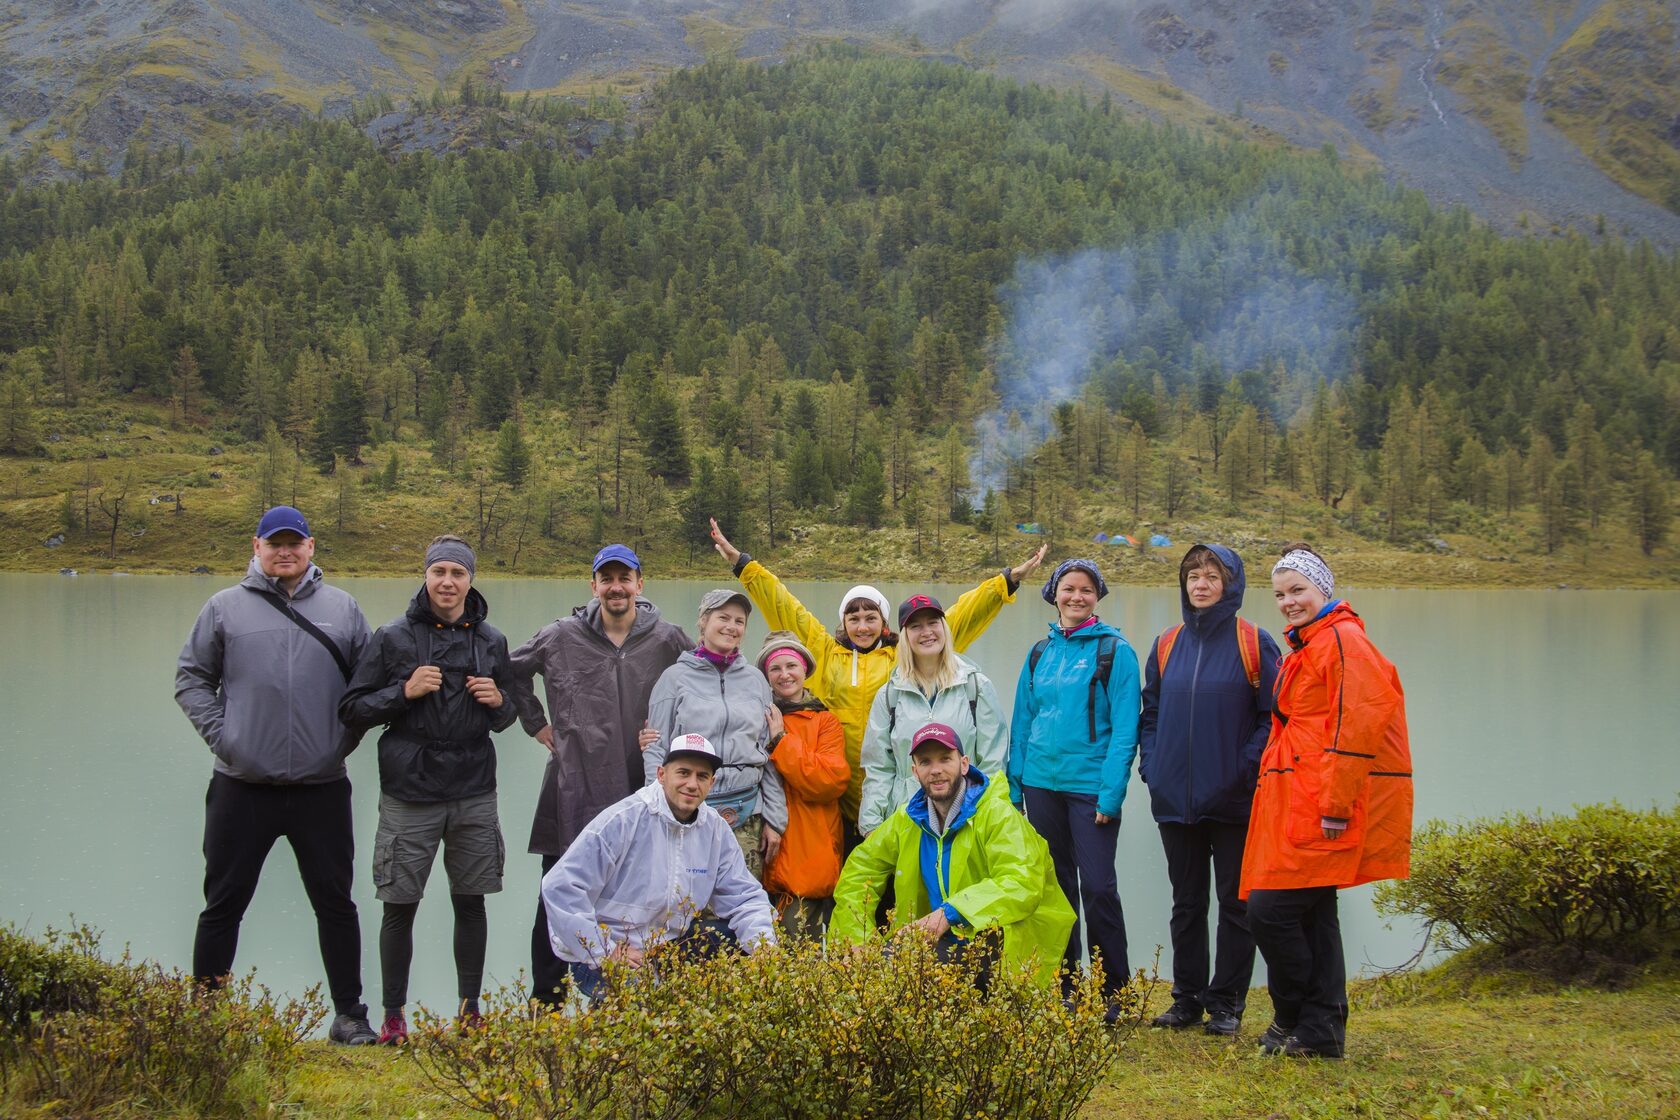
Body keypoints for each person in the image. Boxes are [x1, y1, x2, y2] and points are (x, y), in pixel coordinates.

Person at [174, 505, 377, 1045]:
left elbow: (368, 690)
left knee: (335, 903)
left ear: (311, 548)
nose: (284, 551)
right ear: (257, 546)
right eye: (274, 543)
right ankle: (205, 1017)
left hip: (322, 789)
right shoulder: (224, 609)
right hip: (241, 787)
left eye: (295, 543)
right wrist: (227, 740)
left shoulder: (344, 609)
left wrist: (341, 743)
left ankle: (350, 1016)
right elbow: (191, 680)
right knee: (223, 903)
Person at [709, 517, 1047, 833]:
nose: (862, 626)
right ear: (844, 623)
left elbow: (957, 618)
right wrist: (744, 565)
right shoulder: (826, 654)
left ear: (883, 622)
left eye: (870, 617)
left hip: (889, 792)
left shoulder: (904, 656)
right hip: (833, 789)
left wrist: (1006, 581)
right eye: (853, 618)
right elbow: (784, 605)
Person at [338, 535, 517, 1044]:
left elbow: (506, 719)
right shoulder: (392, 638)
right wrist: (404, 691)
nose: (447, 581)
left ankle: (470, 1008)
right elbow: (352, 709)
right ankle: (394, 1015)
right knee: (400, 904)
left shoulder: (492, 641)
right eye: (439, 571)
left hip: (474, 789)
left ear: (470, 580)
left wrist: (498, 699)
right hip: (408, 791)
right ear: (425, 576)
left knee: (471, 900)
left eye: (457, 573)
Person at [1241, 543, 1413, 1059]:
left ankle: (1298, 1016)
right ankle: (1319, 1029)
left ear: (1324, 590)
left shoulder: (1342, 641)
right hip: (1299, 799)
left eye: (1298, 590)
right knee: (1315, 913)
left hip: (1321, 804)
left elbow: (1357, 724)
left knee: (1270, 911)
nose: (1289, 602)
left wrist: (1337, 805)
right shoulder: (1314, 644)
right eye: (1280, 594)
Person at [504, 544, 690, 1011]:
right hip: (574, 788)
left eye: (624, 578)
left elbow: (705, 674)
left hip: (642, 788)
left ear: (639, 585)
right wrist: (536, 724)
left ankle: (627, 999)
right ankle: (545, 1003)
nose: (616, 587)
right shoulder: (561, 635)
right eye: (606, 579)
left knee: (638, 901)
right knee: (556, 894)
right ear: (594, 587)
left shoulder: (667, 638)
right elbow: (508, 672)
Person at [1139, 544, 1280, 1036]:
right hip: (1174, 798)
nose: (1200, 584)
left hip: (1236, 798)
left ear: (1231, 584)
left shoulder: (1254, 642)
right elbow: (1150, 713)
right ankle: (1187, 1000)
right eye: (1193, 576)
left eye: (1211, 576)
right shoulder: (1166, 643)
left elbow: (1272, 716)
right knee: (1187, 902)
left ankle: (1227, 1004)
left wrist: (1245, 767)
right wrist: (1152, 766)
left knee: (1236, 904)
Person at [828, 722, 1074, 990]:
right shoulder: (907, 820)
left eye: (946, 759)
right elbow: (861, 870)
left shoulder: (998, 815)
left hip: (1004, 943)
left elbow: (1021, 880)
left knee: (898, 978)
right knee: (873, 977)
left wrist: (950, 912)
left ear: (964, 763)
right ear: (915, 771)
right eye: (925, 762)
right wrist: (856, 939)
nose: (936, 770)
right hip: (942, 942)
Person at [542, 733, 778, 1000]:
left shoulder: (715, 830)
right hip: (603, 952)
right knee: (649, 1006)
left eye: (702, 776)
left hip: (665, 947)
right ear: (661, 774)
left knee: (739, 944)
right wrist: (606, 951)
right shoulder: (623, 820)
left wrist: (765, 952)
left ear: (711, 783)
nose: (692, 784)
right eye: (683, 773)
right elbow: (560, 887)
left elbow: (745, 897)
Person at [1007, 558, 1139, 1009]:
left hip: (1090, 789)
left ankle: (1113, 991)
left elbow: (1125, 730)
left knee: (1099, 888)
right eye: (1069, 588)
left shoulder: (1115, 651)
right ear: (1054, 594)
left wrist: (1112, 793)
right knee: (1057, 889)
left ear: (1097, 596)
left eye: (1086, 589)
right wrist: (1014, 786)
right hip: (1041, 785)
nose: (1076, 596)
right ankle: (1065, 985)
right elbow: (1022, 720)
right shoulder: (1039, 652)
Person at [645, 589, 782, 879]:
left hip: (747, 813)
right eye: (723, 618)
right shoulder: (674, 679)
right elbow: (656, 750)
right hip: (688, 809)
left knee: (741, 905)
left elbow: (767, 753)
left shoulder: (756, 681)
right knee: (687, 907)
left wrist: (775, 819)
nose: (732, 627)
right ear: (703, 621)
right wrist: (657, 811)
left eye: (740, 621)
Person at [858, 594, 1007, 836]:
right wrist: (871, 825)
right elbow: (879, 768)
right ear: (905, 636)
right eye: (915, 626)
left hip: (967, 817)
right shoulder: (889, 695)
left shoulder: (976, 686)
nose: (926, 632)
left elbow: (993, 760)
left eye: (933, 623)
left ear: (944, 628)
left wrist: (990, 815)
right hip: (906, 819)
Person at [756, 631, 850, 938]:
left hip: (808, 851)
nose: (784, 675)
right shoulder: (755, 715)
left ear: (804, 670)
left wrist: (780, 740)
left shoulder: (825, 722)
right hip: (762, 848)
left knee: (800, 959)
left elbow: (829, 781)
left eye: (791, 666)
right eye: (775, 668)